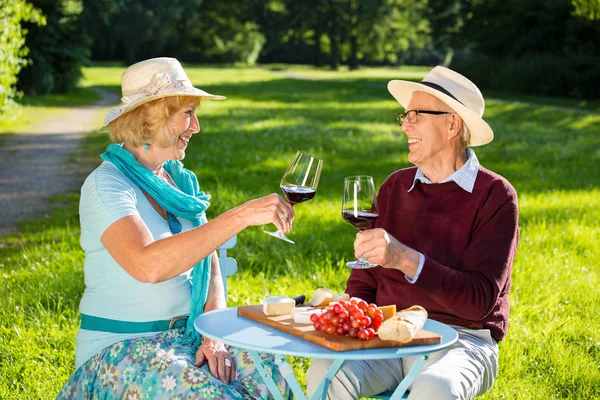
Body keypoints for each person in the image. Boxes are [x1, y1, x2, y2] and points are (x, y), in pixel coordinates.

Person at [57, 57, 294, 399]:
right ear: (150, 117)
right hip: (121, 348)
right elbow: (147, 265)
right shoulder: (106, 185)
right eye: (187, 113)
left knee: (271, 369)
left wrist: (213, 333)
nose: (196, 126)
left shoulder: (180, 182)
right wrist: (238, 216)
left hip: (188, 338)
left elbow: (210, 268)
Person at [307, 66, 519, 399]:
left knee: (435, 389)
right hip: (387, 332)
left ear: (452, 124)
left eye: (417, 116)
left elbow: (478, 302)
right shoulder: (395, 186)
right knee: (325, 372)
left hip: (462, 339)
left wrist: (408, 260)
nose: (405, 125)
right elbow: (365, 281)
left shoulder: (495, 195)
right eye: (405, 116)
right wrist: (352, 320)